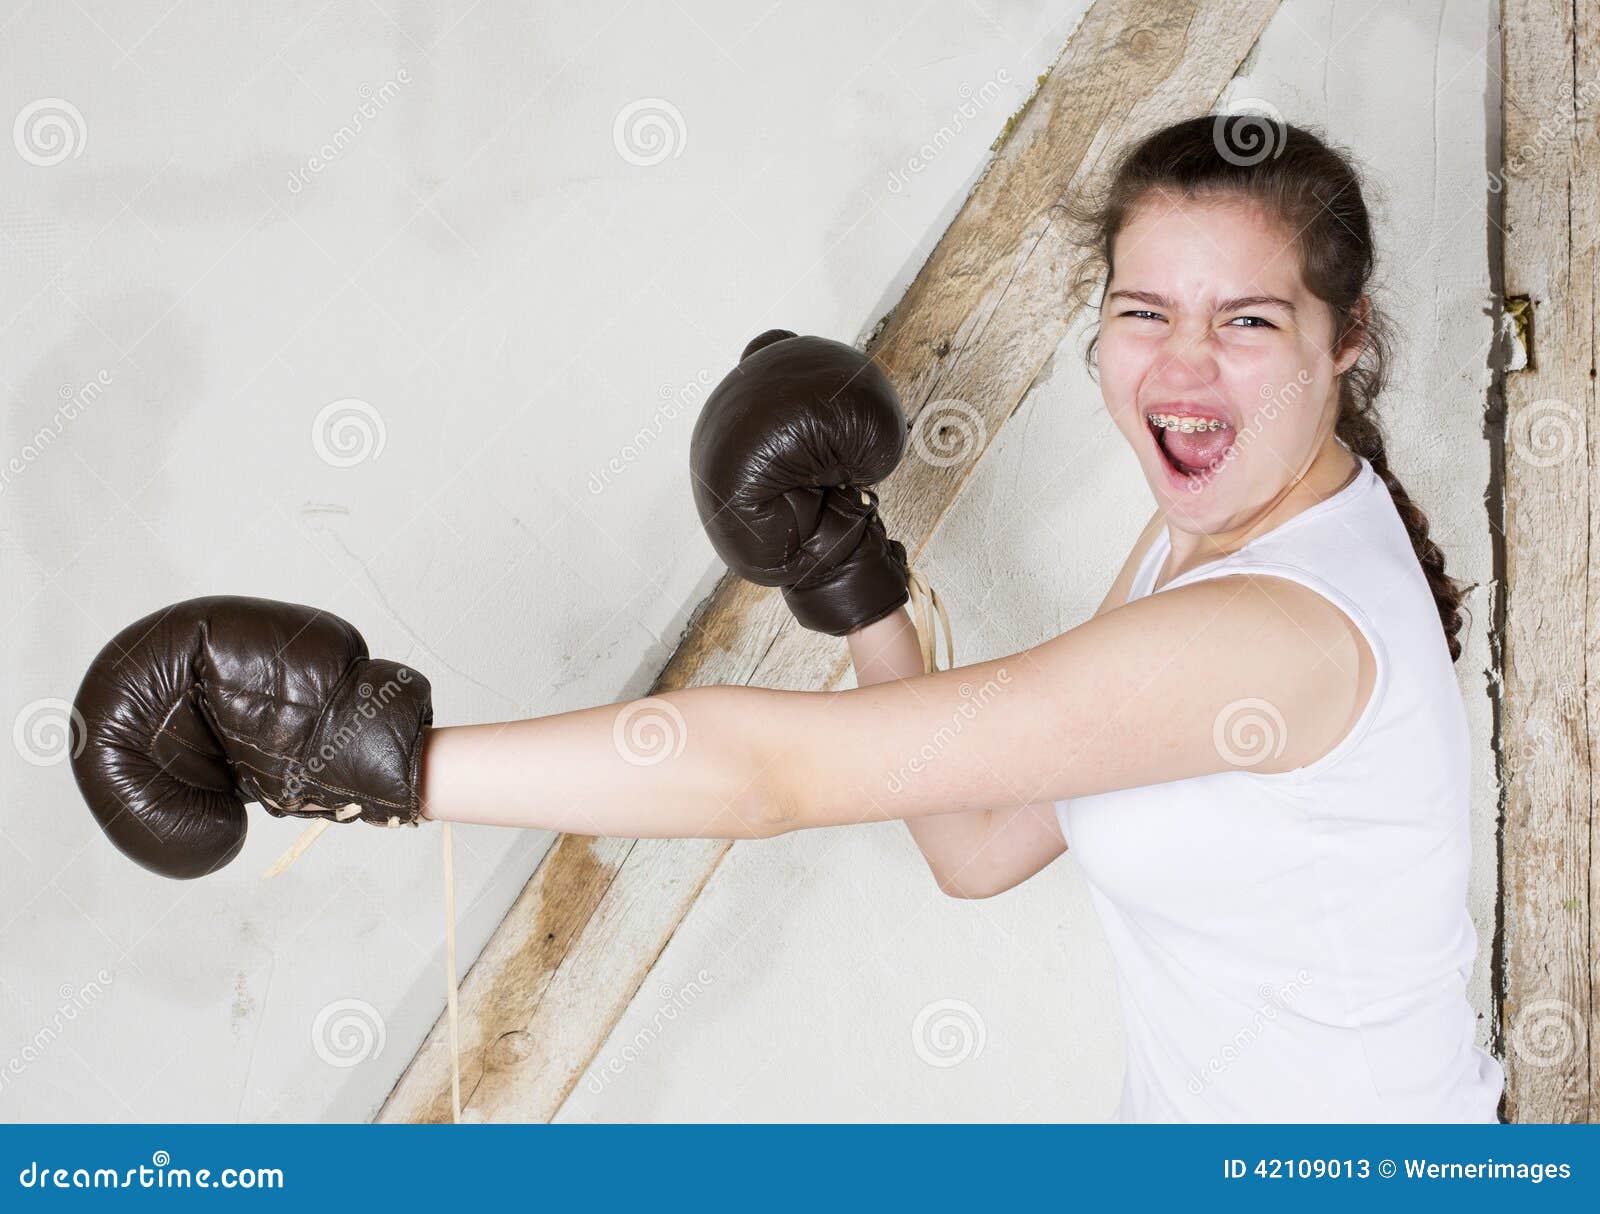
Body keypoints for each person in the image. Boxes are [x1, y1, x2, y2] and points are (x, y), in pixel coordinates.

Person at [70, 115, 1503, 1123]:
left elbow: (766, 774)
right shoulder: (1217, 524)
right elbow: (980, 838)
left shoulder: (1276, 632)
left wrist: (360, 752)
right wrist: (851, 577)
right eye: (1144, 313)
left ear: (1346, 333)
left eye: (1248, 320)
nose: (1184, 368)